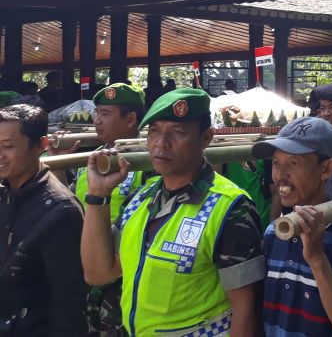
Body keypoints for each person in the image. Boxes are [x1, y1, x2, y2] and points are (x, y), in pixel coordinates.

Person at [80, 88, 266, 335]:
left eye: (177, 133)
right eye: (154, 131)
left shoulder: (231, 208)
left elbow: (247, 310)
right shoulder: (141, 199)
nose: (161, 144)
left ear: (206, 138)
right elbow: (98, 273)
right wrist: (98, 197)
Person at [254, 117, 332, 336]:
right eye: (276, 163)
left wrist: (317, 258)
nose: (280, 176)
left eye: (293, 163)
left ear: (327, 169)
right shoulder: (274, 232)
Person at [62, 84, 150, 337]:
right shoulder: (94, 157)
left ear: (131, 119)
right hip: (87, 266)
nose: (96, 120)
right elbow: (70, 204)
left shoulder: (146, 161)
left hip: (123, 273)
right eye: (96, 113)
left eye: (104, 114)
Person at [0, 104, 88, 335]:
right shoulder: (4, 191)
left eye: (8, 146)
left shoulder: (61, 211)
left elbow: (69, 300)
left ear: (41, 145)